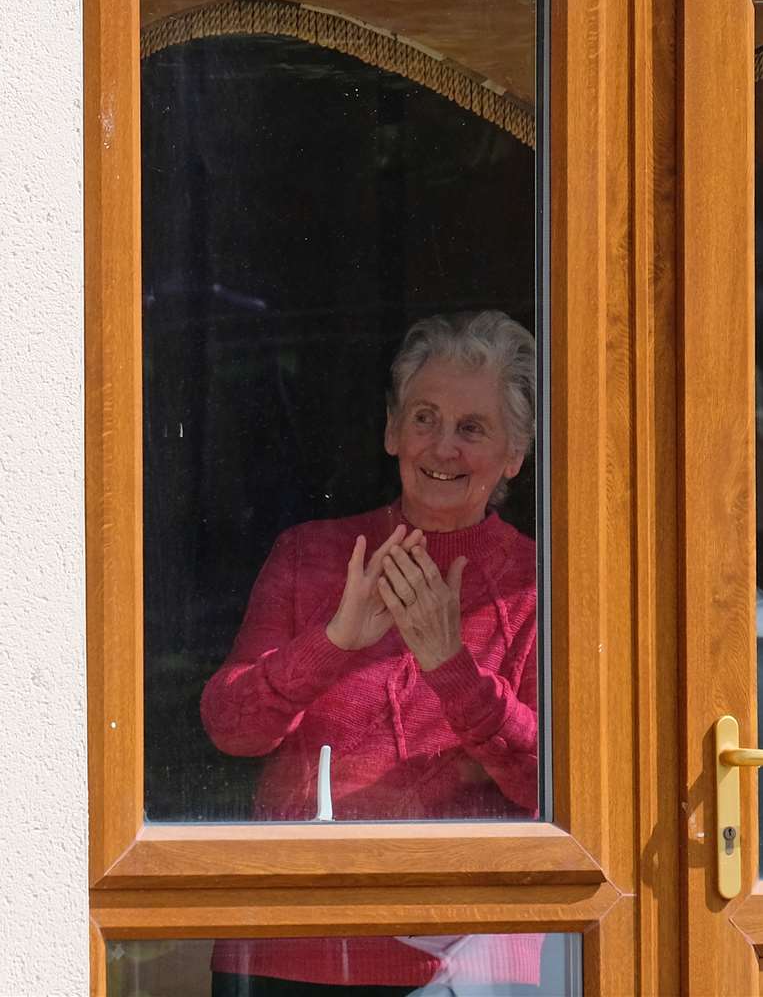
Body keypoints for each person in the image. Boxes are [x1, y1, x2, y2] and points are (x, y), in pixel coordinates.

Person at [201, 311, 543, 995]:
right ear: (392, 431)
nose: (442, 448)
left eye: (471, 429)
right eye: (424, 418)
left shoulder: (538, 584)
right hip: (291, 951)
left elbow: (558, 786)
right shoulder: (311, 554)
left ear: (514, 454)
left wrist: (452, 671)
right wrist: (331, 644)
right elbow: (230, 728)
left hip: (468, 962)